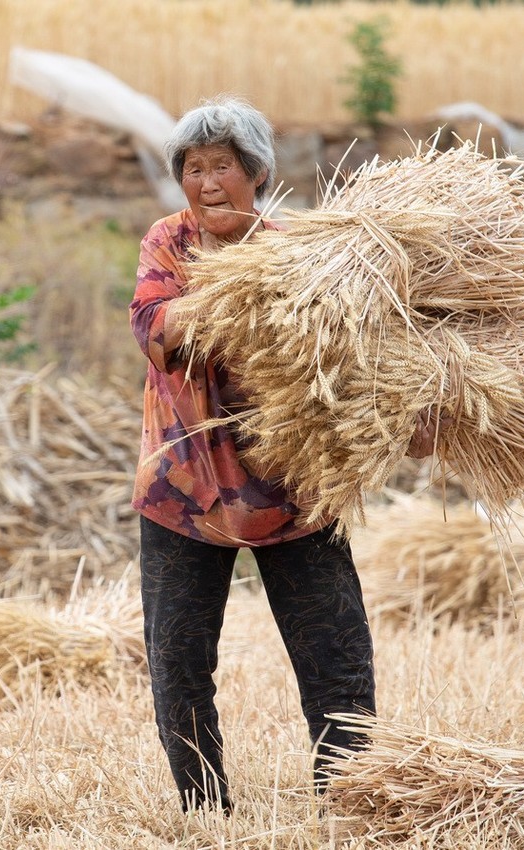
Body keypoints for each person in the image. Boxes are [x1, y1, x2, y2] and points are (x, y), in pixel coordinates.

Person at [128, 96, 443, 814]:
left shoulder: (305, 255)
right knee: (178, 662)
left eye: (224, 167)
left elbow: (356, 360)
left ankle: (349, 799)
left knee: (337, 656)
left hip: (293, 489)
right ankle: (205, 810)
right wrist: (239, 296)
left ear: (258, 172)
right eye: (194, 168)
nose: (208, 182)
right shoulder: (169, 243)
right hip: (187, 492)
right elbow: (154, 330)